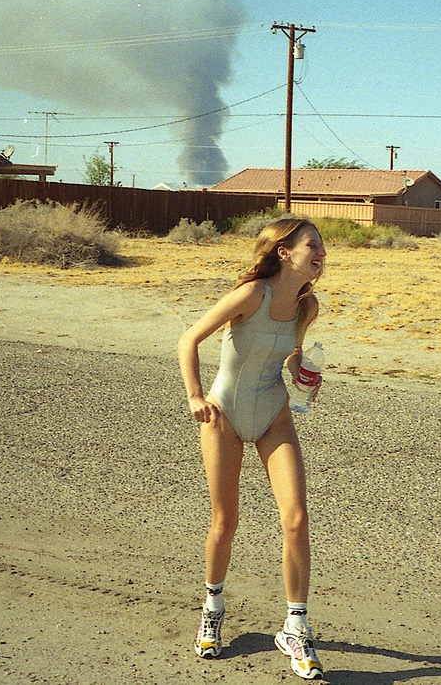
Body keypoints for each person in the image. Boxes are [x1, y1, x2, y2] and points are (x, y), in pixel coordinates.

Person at [176, 217, 327, 680]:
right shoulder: (251, 294)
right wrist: (195, 396)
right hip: (222, 413)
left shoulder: (308, 306)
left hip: (274, 414)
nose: (322, 255)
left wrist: (304, 373)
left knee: (296, 517)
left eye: (323, 248)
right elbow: (189, 339)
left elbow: (289, 353)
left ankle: (295, 627)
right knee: (225, 522)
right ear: (284, 252)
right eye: (312, 247)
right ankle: (213, 607)